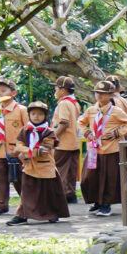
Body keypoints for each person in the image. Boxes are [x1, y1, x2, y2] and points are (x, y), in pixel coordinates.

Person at [12, 101, 67, 224]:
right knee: (27, 192)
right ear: (29, 115)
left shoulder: (49, 132)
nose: (36, 116)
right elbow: (19, 145)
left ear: (45, 116)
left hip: (45, 167)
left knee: (48, 193)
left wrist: (27, 151)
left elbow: (46, 149)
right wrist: (31, 151)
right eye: (33, 114)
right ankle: (22, 215)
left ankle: (52, 214)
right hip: (29, 167)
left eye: (40, 114)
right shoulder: (24, 130)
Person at [84, 86, 127, 213]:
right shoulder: (92, 110)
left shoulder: (116, 111)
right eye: (97, 93)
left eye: (103, 93)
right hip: (94, 149)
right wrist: (86, 132)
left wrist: (118, 133)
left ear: (111, 95)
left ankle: (106, 204)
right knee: (90, 177)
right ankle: (96, 201)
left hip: (111, 149)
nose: (99, 96)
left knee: (108, 178)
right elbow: (81, 122)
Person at [0, 79, 21, 216]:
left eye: (3, 91)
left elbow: (27, 130)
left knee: (19, 178)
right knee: (0, 178)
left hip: (16, 151)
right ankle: (1, 204)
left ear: (13, 93)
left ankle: (28, 203)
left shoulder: (20, 110)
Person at [50, 79, 82, 212]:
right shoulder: (75, 103)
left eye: (56, 89)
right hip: (74, 142)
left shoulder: (63, 104)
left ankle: (59, 196)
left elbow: (63, 123)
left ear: (62, 90)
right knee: (70, 171)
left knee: (59, 170)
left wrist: (52, 136)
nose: (55, 91)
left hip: (63, 143)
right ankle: (70, 194)